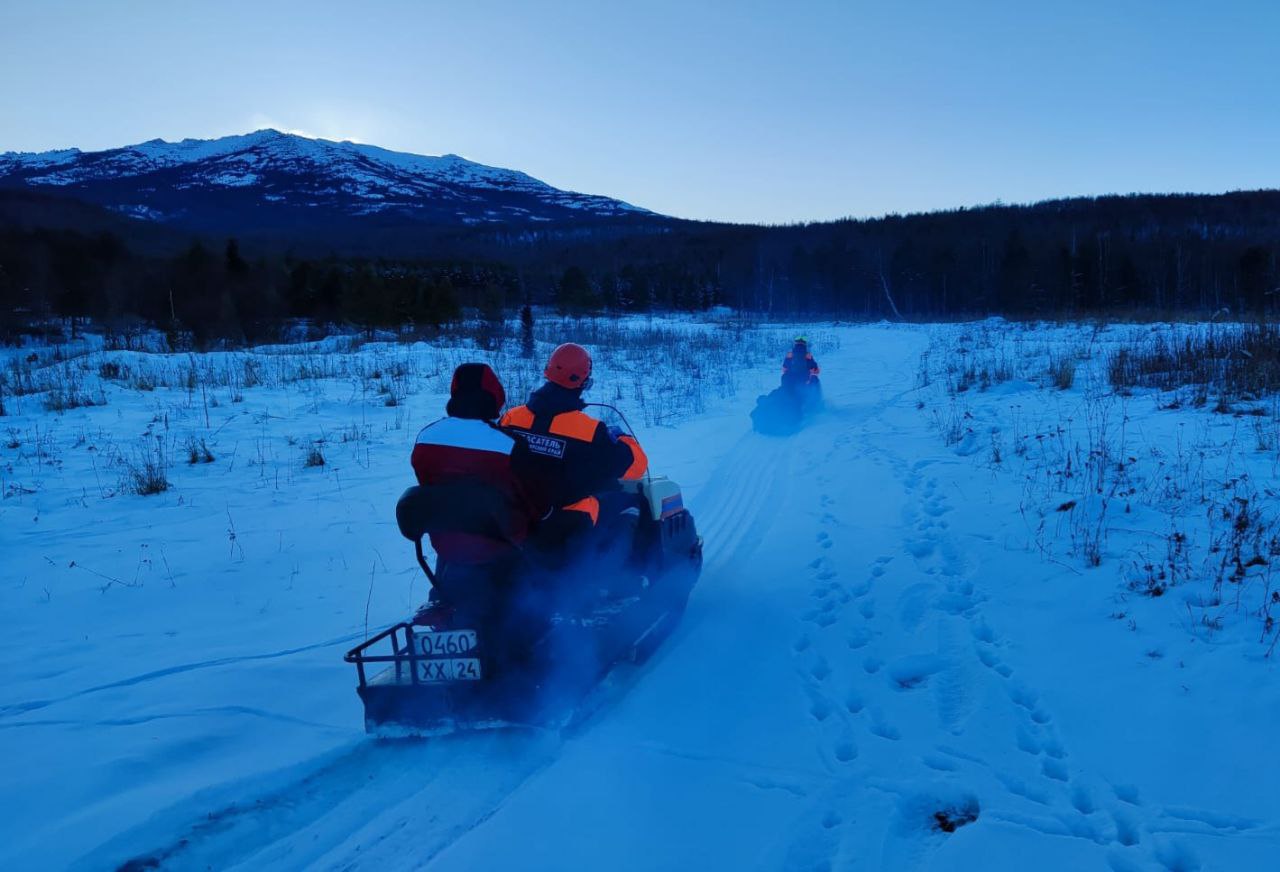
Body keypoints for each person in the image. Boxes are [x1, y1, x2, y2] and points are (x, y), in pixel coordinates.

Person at [500, 343, 648, 563]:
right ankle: (622, 578)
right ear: (583, 381)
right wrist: (622, 438)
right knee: (634, 502)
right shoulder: (590, 431)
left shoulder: (512, 417)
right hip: (568, 519)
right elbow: (636, 467)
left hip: (519, 512)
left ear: (548, 371)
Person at [410, 363, 535, 623]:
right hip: (502, 544)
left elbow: (430, 485)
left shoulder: (426, 438)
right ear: (495, 395)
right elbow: (528, 497)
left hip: (448, 544)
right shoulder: (507, 445)